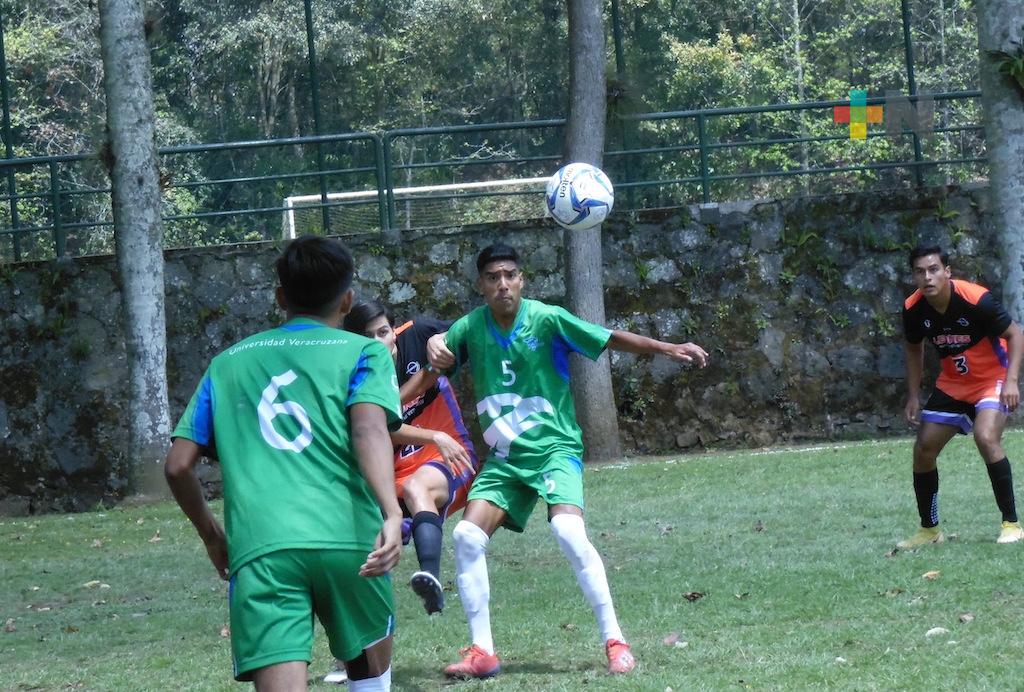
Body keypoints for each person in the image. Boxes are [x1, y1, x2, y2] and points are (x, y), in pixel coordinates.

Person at [426, 242, 709, 678]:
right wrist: (430, 350)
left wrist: (666, 348)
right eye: (493, 277)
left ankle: (615, 641)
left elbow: (609, 337)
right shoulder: (470, 328)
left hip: (555, 449)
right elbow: (433, 355)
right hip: (505, 459)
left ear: (521, 280)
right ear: (481, 285)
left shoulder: (548, 318)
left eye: (510, 275)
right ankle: (482, 652)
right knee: (465, 537)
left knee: (568, 530)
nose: (503, 284)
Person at [164, 235, 403, 692]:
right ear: (348, 300)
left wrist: (214, 536)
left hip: (262, 548)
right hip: (350, 542)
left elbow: (177, 466)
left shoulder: (225, 364)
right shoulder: (365, 352)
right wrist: (392, 512)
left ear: (280, 298)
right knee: (369, 678)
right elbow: (369, 430)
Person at [343, 301, 479, 615]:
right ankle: (358, 655)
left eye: (383, 332)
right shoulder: (354, 377)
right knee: (365, 555)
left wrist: (441, 338)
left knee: (418, 488)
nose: (379, 342)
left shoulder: (417, 334)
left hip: (449, 456)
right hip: (390, 479)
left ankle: (429, 575)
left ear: (395, 331)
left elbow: (472, 329)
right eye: (368, 337)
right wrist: (430, 432)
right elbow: (378, 429)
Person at [898, 244, 1024, 548]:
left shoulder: (975, 299)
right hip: (954, 382)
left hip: (992, 378)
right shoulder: (913, 308)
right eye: (920, 272)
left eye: (933, 269)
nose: (927, 277)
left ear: (947, 272)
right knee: (923, 449)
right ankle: (930, 530)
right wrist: (913, 395)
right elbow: (914, 348)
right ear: (914, 276)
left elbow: (1016, 335)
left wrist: (1011, 381)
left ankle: (1012, 524)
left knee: (986, 437)